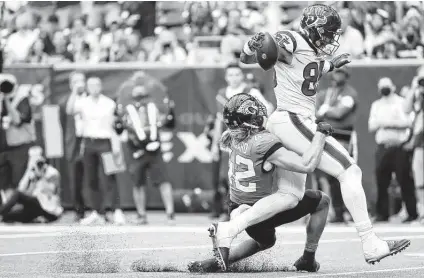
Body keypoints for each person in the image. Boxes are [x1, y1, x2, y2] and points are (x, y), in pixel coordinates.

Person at [228, 3, 410, 264]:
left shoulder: (309, 50)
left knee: (289, 196)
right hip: (293, 119)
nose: (330, 38)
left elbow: (308, 68)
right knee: (349, 170)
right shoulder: (291, 39)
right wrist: (254, 45)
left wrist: (331, 65)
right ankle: (370, 242)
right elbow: (256, 57)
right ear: (315, 28)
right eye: (328, 32)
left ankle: (231, 229)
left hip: (289, 121)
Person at [204, 93, 331, 272]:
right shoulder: (264, 141)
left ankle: (215, 263)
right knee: (320, 201)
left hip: (235, 206)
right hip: (258, 210)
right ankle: (308, 257)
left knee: (267, 241)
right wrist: (320, 134)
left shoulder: (231, 136)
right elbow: (307, 165)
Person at [209, 63, 273, 219]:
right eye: (230, 75)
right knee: (227, 175)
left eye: (237, 74)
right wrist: (214, 144)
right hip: (230, 140)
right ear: (226, 77)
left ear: (242, 75)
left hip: (247, 139)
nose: (234, 78)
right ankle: (229, 209)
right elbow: (219, 120)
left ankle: (250, 208)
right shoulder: (222, 93)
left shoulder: (251, 91)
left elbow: (268, 108)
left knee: (244, 173)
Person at [115, 79, 175, 225]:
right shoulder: (125, 108)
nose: (139, 92)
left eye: (142, 88)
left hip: (154, 148)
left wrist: (171, 110)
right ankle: (141, 215)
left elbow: (170, 122)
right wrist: (117, 120)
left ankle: (170, 214)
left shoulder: (156, 106)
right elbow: (119, 129)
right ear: (131, 91)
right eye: (136, 88)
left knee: (164, 181)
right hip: (136, 149)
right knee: (138, 183)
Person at [67, 77, 125, 225]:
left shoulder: (109, 103)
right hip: (89, 143)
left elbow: (114, 127)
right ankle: (97, 212)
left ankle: (117, 211)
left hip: (105, 143)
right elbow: (69, 110)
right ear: (87, 87)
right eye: (91, 85)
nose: (94, 88)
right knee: (91, 179)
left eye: (96, 85)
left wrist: (116, 146)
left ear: (101, 86)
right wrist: (74, 90)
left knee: (110, 177)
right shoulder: (83, 102)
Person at [368, 77, 418, 223]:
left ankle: (412, 213)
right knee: (381, 181)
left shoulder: (402, 103)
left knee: (405, 180)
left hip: (399, 147)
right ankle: (382, 214)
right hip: (383, 147)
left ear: (393, 87)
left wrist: (386, 123)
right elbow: (372, 125)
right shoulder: (376, 105)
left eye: (387, 86)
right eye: (382, 86)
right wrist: (390, 123)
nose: (384, 88)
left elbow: (408, 123)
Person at [315, 67, 358, 223]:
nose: (337, 76)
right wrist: (325, 110)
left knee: (345, 174)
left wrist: (326, 111)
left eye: (341, 73)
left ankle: (350, 211)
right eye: (336, 72)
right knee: (327, 176)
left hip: (343, 138)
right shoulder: (325, 93)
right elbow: (315, 113)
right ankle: (335, 211)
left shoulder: (350, 93)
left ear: (346, 76)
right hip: (326, 137)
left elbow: (340, 113)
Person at [0, 146, 63, 223]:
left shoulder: (52, 173)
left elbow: (51, 191)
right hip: (34, 208)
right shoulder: (31, 172)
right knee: (7, 216)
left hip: (49, 210)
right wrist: (28, 171)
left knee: (18, 195)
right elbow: (21, 189)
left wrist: (41, 176)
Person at [64, 71, 87, 221]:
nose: (79, 84)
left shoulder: (92, 99)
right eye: (75, 81)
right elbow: (69, 110)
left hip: (91, 139)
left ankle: (102, 209)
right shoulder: (69, 99)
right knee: (76, 178)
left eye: (81, 81)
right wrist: (74, 91)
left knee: (95, 176)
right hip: (75, 142)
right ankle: (79, 210)